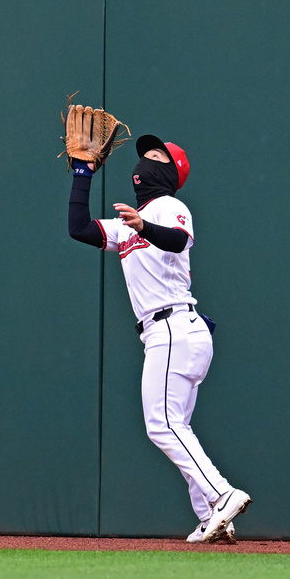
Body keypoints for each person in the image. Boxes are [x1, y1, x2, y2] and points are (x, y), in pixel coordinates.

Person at [67, 134, 251, 543]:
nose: (144, 162)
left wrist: (143, 224)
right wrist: (83, 174)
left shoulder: (170, 207)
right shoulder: (129, 221)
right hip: (173, 333)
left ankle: (223, 494)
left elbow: (178, 240)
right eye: (145, 154)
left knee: (161, 425)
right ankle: (212, 518)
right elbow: (79, 228)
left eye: (155, 157)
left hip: (174, 329)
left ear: (168, 172)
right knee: (177, 424)